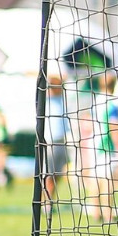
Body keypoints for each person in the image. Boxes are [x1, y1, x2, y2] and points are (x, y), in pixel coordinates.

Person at [84, 70, 118, 221]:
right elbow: (114, 127)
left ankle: (96, 212)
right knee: (109, 182)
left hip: (94, 144)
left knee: (96, 180)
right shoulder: (112, 104)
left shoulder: (96, 102)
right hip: (107, 146)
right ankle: (108, 215)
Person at [42, 76, 71, 210]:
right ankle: (46, 202)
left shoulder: (63, 99)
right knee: (49, 174)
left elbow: (65, 77)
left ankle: (50, 199)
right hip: (50, 141)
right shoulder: (46, 100)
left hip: (62, 140)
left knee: (58, 174)